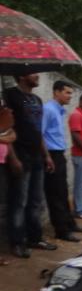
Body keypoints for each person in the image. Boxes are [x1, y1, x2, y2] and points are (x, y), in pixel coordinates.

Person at [4, 73, 57, 258]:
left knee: (36, 201)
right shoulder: (10, 95)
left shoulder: (37, 99)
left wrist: (47, 155)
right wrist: (13, 158)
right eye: (34, 73)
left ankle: (35, 238)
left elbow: (37, 129)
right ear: (22, 75)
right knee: (19, 201)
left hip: (37, 157)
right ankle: (17, 242)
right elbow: (4, 128)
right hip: (21, 155)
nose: (37, 76)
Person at [42, 81, 82, 241]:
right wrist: (47, 157)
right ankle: (61, 230)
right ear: (56, 92)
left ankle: (69, 223)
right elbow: (40, 134)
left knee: (62, 192)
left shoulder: (58, 110)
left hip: (59, 154)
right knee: (55, 194)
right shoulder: (48, 109)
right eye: (67, 93)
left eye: (70, 93)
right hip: (51, 155)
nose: (70, 96)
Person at [0, 106, 16, 265]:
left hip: (3, 166)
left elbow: (12, 136)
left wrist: (5, 135)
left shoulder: (5, 125)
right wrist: (4, 135)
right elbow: (8, 136)